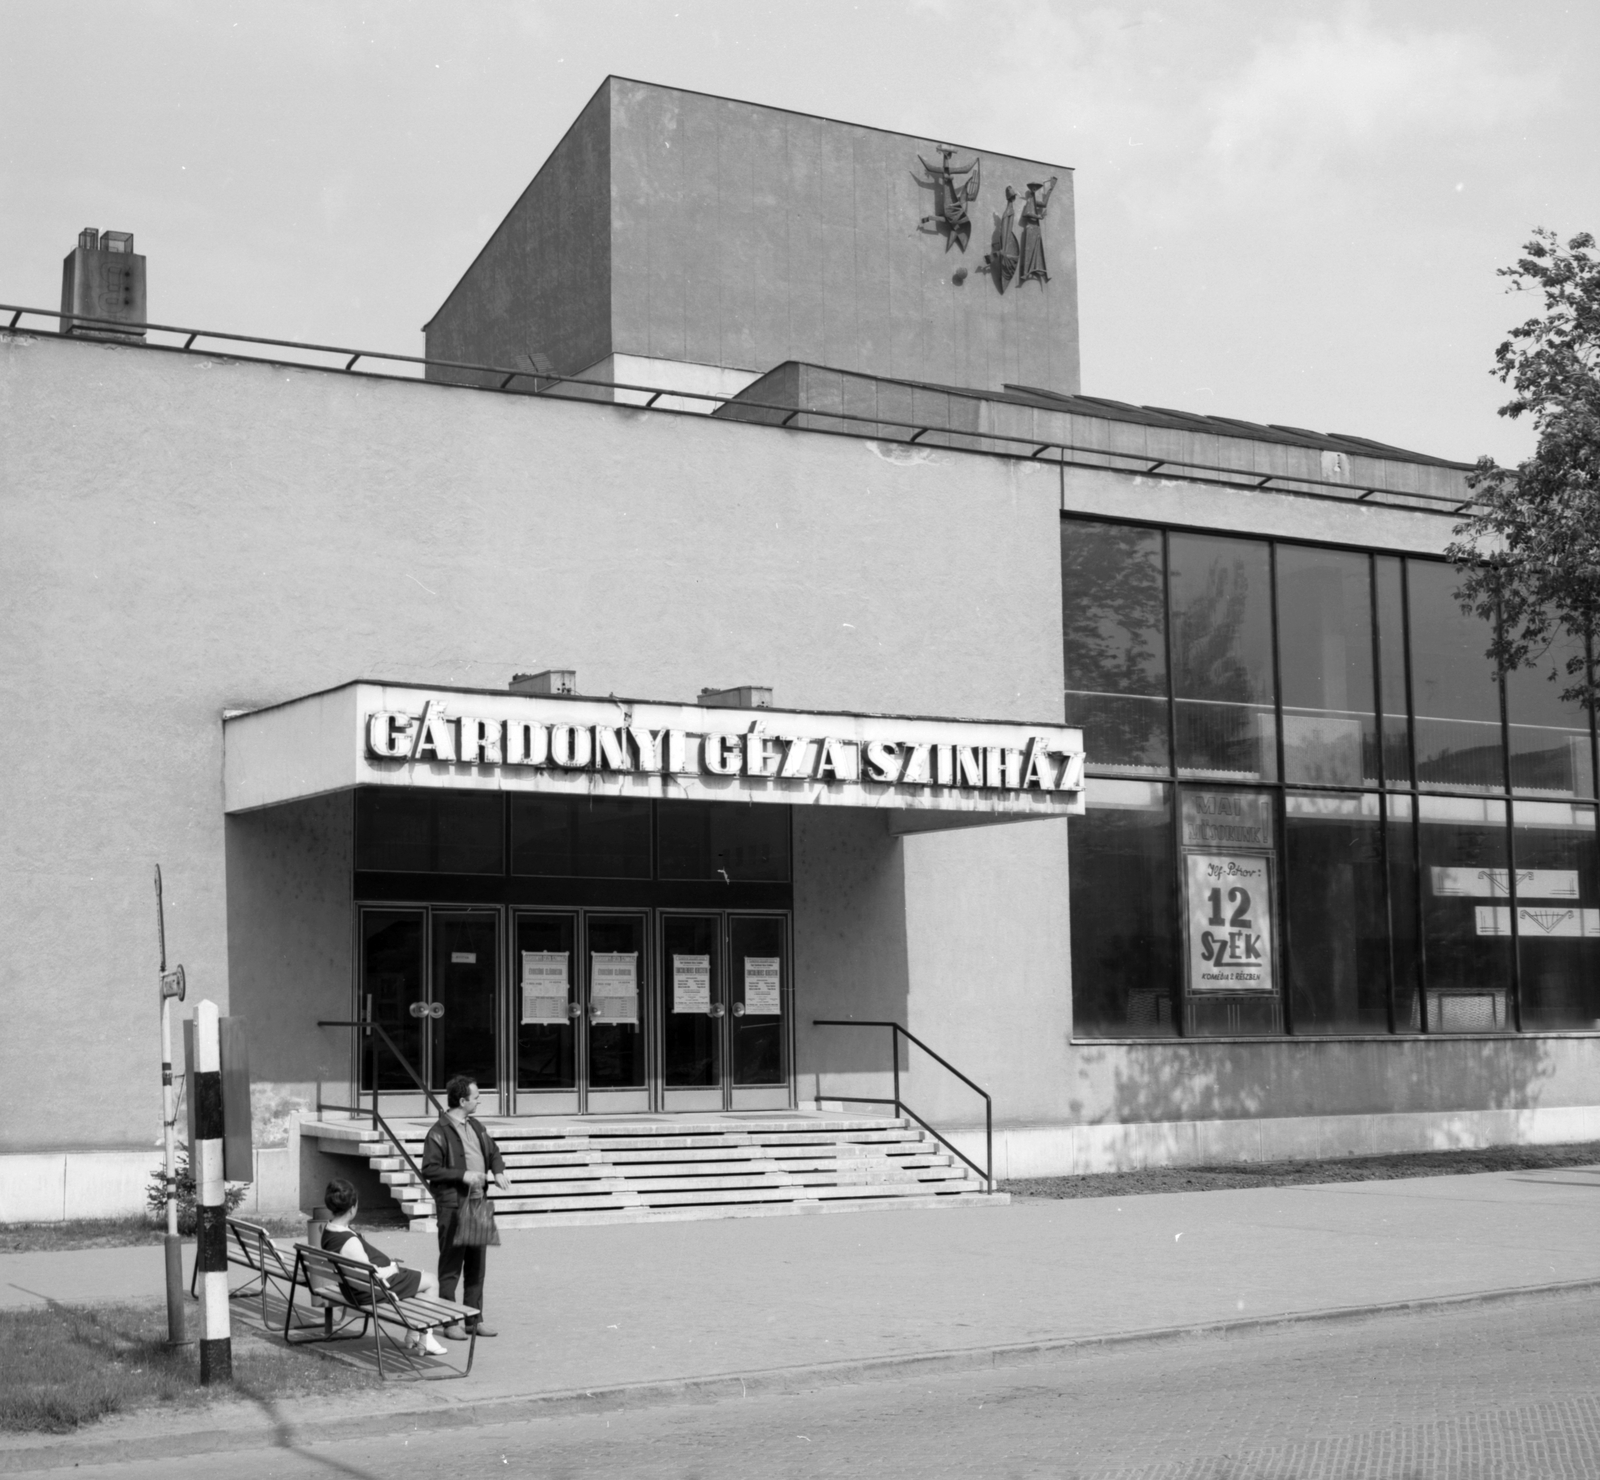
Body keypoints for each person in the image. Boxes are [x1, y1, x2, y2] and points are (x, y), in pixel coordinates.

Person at [320, 1177, 447, 1356]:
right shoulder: (349, 1242)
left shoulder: (328, 1230)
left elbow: (363, 1270)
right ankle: (426, 1337)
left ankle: (413, 1333)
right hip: (369, 1291)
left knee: (419, 1276)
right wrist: (393, 1268)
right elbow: (373, 1275)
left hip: (353, 1288)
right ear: (353, 1207)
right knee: (432, 1281)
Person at [421, 1075, 506, 1339]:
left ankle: (473, 1319)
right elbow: (430, 1169)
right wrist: (463, 1175)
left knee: (476, 1266)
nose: (479, 1100)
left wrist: (498, 1170)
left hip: (478, 1203)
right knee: (451, 1266)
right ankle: (449, 1322)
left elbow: (492, 1151)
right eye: (476, 1097)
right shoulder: (438, 1131)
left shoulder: (476, 1125)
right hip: (453, 1207)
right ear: (462, 1100)